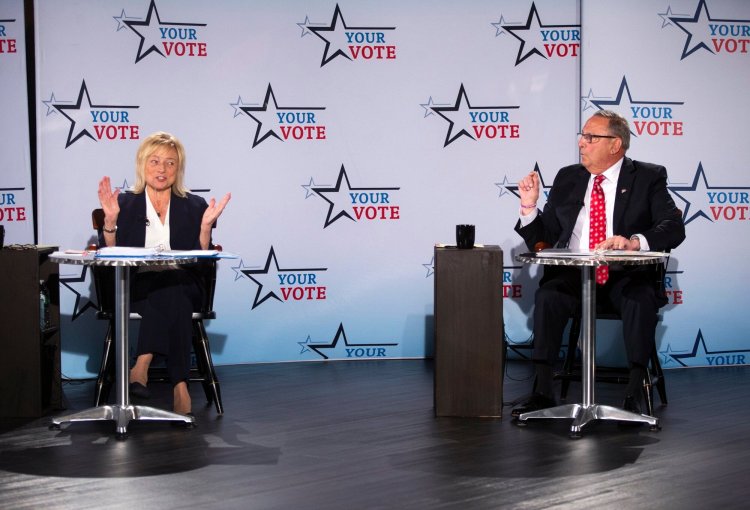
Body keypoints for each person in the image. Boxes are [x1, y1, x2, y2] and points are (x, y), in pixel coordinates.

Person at [512, 110, 685, 417]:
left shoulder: (647, 177)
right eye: (582, 136)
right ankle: (541, 392)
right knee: (548, 295)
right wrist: (529, 207)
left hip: (624, 276)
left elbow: (673, 226)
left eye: (591, 137)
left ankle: (633, 392)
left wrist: (633, 241)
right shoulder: (569, 177)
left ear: (615, 144)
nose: (582, 143)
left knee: (639, 298)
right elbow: (545, 241)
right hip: (575, 277)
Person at [97, 131, 231, 417]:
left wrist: (205, 229)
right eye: (155, 161)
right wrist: (110, 223)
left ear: (178, 169)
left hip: (184, 280)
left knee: (174, 281)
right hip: (136, 287)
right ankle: (180, 386)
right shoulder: (126, 203)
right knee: (174, 294)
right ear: (142, 165)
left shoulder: (194, 205)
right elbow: (111, 257)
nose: (162, 169)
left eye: (170, 163)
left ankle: (142, 362)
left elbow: (199, 262)